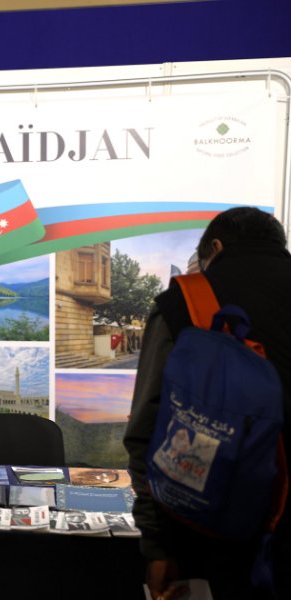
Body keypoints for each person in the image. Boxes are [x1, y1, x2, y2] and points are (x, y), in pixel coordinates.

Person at [124, 207, 291, 599]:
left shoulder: (185, 301)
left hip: (209, 531)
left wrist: (158, 546)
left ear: (215, 248)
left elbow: (147, 432)